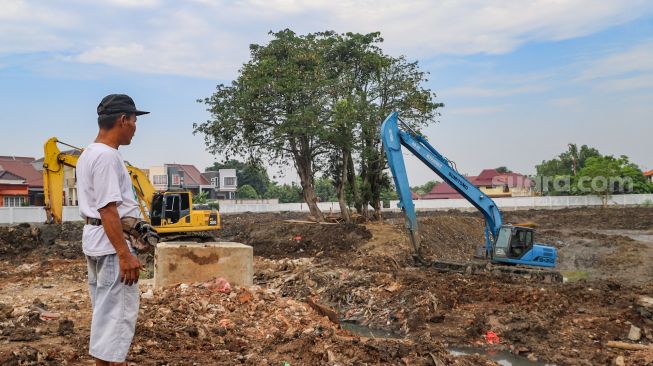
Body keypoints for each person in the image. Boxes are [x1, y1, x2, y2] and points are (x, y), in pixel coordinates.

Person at [76, 94, 149, 365]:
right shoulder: (107, 157)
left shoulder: (89, 154)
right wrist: (125, 254)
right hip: (111, 247)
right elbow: (108, 209)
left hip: (95, 242)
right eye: (134, 120)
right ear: (122, 120)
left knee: (105, 317)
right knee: (116, 321)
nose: (135, 127)